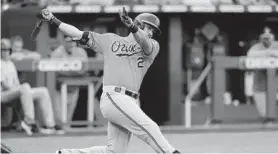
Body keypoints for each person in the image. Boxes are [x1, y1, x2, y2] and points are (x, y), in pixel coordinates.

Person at [40, 7, 180, 154]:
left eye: (153, 30)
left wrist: (132, 27)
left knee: (114, 152)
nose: (151, 33)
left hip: (131, 101)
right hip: (114, 96)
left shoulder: (152, 46)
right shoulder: (110, 40)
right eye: (149, 28)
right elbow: (77, 33)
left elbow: (144, 42)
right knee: (149, 127)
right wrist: (53, 20)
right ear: (140, 24)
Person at [1, 38, 56, 135]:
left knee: (43, 91)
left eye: (7, 50)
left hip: (14, 92)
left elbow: (36, 55)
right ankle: (29, 121)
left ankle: (50, 125)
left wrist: (20, 89)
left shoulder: (10, 63)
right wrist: (19, 89)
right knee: (25, 86)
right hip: (3, 94)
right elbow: (4, 85)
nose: (5, 52)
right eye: (3, 50)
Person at [51, 36, 88, 134]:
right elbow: (56, 72)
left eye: (73, 42)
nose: (71, 44)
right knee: (59, 120)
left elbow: (84, 70)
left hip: (74, 88)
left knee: (67, 120)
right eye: (68, 42)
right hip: (59, 89)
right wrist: (75, 71)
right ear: (63, 42)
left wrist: (67, 71)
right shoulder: (57, 53)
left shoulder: (81, 52)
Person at [246, 27, 278, 121]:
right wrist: (267, 53)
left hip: (275, 84)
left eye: (269, 35)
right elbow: (250, 54)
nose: (267, 37)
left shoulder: (276, 45)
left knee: (273, 113)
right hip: (260, 84)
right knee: (264, 114)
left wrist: (270, 52)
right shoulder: (256, 47)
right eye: (264, 35)